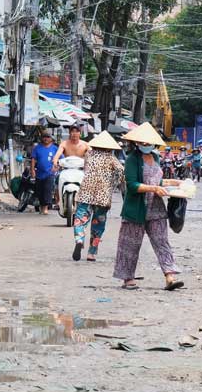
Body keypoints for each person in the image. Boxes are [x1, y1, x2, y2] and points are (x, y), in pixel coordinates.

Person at [114, 123, 183, 291]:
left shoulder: (156, 157)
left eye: (148, 143)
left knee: (162, 242)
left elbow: (157, 181)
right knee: (130, 244)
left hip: (156, 208)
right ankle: (128, 278)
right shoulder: (132, 159)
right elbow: (131, 185)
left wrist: (173, 183)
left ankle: (170, 276)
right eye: (142, 143)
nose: (145, 146)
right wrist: (153, 188)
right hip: (136, 209)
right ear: (137, 143)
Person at [72, 131, 124, 262]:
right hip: (102, 196)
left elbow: (85, 170)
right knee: (98, 224)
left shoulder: (89, 155)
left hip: (85, 192)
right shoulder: (111, 158)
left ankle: (79, 240)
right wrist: (113, 184)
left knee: (80, 219)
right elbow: (121, 171)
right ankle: (91, 253)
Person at [29, 131, 59, 215]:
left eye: (48, 137)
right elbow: (33, 160)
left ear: (51, 139)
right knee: (40, 190)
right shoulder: (37, 148)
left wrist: (57, 167)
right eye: (44, 137)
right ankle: (42, 207)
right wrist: (32, 170)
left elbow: (60, 159)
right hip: (39, 173)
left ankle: (45, 207)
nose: (46, 139)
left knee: (47, 189)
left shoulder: (55, 148)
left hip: (50, 173)